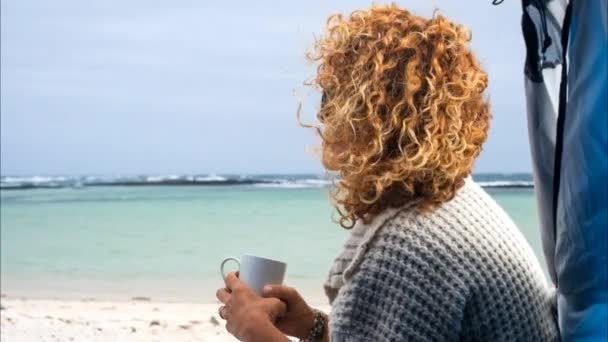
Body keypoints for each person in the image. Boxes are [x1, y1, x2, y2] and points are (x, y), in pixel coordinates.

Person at [216, 4, 559, 341]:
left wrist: (256, 331)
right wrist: (313, 326)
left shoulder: (407, 247)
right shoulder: (454, 200)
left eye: (331, 97)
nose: (323, 117)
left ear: (370, 114)